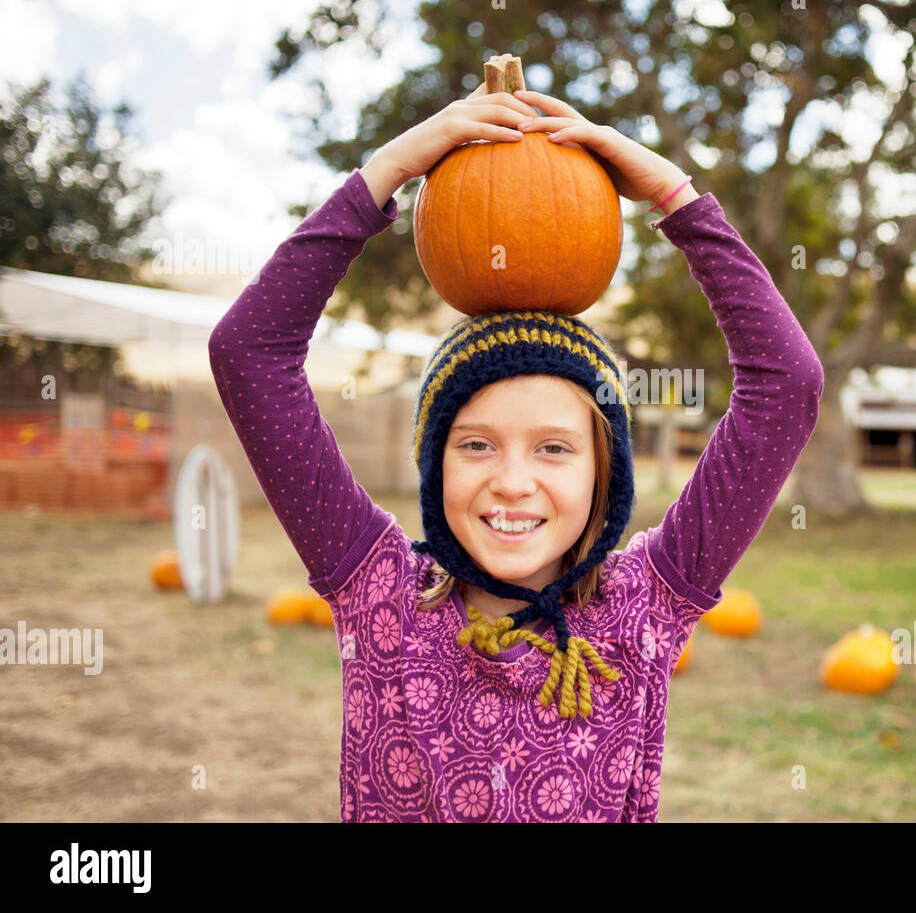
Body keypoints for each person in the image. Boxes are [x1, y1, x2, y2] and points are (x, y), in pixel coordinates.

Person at [208, 81, 824, 822]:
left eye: (555, 448)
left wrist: (677, 198)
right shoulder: (378, 594)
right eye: (475, 443)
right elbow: (247, 354)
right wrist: (387, 171)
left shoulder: (645, 606)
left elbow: (788, 384)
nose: (511, 481)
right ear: (434, 462)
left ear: (606, 472)